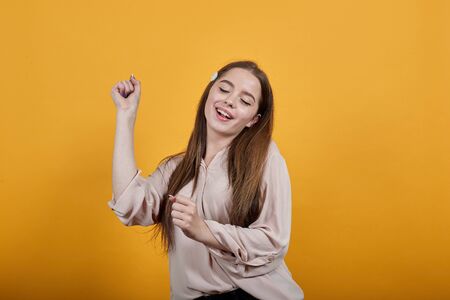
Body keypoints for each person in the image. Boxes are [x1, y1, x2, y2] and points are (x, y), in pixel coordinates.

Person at [108, 60, 304, 300]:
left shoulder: (265, 158)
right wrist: (126, 116)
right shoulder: (175, 169)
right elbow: (128, 205)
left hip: (253, 295)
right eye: (224, 89)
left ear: (253, 119)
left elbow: (274, 241)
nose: (230, 101)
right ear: (210, 91)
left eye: (245, 101)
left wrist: (204, 230)